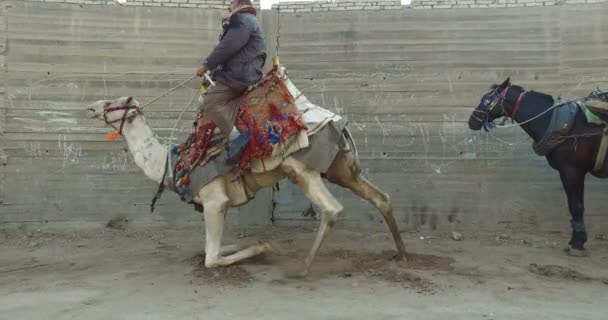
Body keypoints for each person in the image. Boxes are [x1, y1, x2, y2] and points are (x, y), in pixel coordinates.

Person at [196, 0, 266, 164]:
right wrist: (213, 75)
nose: (228, 7)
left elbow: (227, 47)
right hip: (244, 73)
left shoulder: (243, 20)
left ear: (239, 3)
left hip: (239, 76)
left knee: (210, 102)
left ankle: (237, 137)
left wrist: (206, 65)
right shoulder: (249, 21)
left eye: (231, 3)